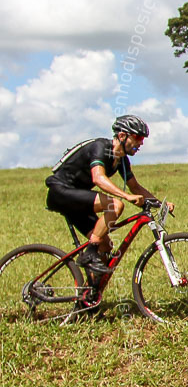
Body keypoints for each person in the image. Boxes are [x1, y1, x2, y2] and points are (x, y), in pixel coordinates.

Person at [45, 115, 172, 275]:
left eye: (143, 139)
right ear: (121, 136)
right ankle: (89, 254)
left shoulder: (122, 160)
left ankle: (88, 295)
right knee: (115, 205)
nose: (141, 143)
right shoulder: (101, 147)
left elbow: (135, 187)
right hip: (61, 192)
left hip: (78, 198)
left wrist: (161, 204)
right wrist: (125, 196)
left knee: (105, 246)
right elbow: (98, 178)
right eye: (138, 137)